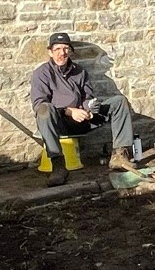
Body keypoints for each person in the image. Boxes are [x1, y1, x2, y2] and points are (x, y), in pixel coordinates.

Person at [30, 31, 137, 183]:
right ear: (50, 52)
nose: (62, 53)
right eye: (58, 49)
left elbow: (88, 96)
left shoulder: (79, 71)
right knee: (44, 110)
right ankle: (58, 166)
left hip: (83, 119)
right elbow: (38, 104)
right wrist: (69, 111)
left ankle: (120, 155)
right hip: (59, 122)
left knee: (118, 101)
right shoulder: (41, 73)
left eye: (66, 49)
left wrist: (89, 109)